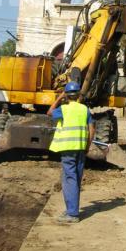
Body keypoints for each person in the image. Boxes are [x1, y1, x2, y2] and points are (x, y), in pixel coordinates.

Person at [47, 81, 95, 224]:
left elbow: (49, 112)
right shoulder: (84, 109)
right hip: (80, 147)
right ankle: (71, 209)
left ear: (67, 96)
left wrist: (59, 97)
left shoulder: (64, 109)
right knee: (76, 178)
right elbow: (92, 129)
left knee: (69, 179)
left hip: (68, 148)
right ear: (79, 95)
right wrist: (87, 146)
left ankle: (72, 214)